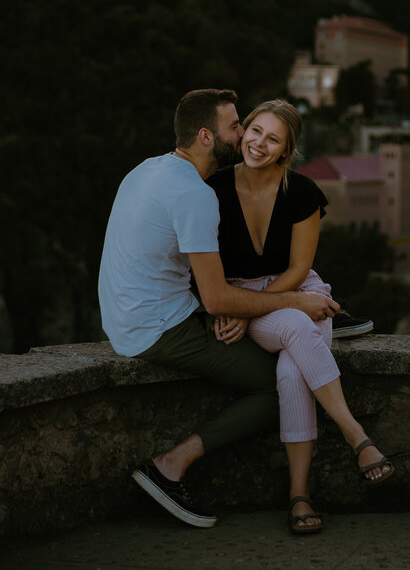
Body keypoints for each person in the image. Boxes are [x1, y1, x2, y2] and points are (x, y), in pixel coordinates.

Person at [98, 88, 340, 529]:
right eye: (236, 125)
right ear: (208, 137)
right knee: (273, 389)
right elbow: (216, 299)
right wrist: (297, 300)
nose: (244, 132)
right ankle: (170, 465)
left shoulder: (149, 169)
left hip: (124, 313)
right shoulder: (196, 195)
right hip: (156, 326)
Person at [210, 99, 394, 536]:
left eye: (273, 139)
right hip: (246, 296)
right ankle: (357, 437)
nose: (259, 143)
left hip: (297, 290)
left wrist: (267, 303)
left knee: (293, 376)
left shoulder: (304, 192)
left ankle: (299, 494)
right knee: (296, 325)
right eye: (254, 131)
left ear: (285, 149)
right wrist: (236, 304)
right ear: (244, 130)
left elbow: (296, 269)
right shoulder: (212, 188)